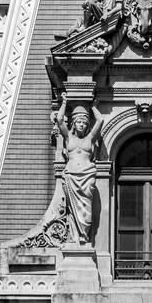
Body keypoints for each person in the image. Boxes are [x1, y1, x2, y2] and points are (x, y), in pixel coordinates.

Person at [54, 94, 103, 243]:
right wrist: (64, 103)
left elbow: (100, 120)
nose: (81, 124)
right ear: (74, 124)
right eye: (79, 122)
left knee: (86, 213)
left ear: (87, 125)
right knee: (73, 211)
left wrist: (93, 106)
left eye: (84, 122)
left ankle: (85, 236)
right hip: (71, 176)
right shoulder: (69, 137)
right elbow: (60, 119)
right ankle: (76, 238)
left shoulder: (90, 139)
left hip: (87, 176)